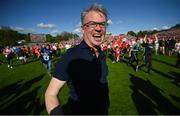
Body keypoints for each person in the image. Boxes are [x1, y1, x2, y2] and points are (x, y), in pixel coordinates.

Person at [45, 3, 109, 115]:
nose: (99, 28)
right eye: (93, 24)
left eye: (102, 24)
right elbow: (50, 94)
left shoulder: (101, 53)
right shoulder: (71, 56)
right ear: (83, 29)